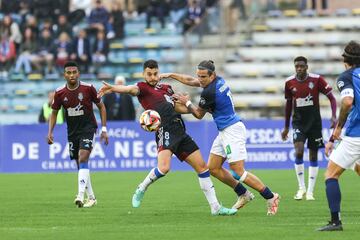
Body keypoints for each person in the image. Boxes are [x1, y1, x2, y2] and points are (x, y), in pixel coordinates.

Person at [97, 59, 237, 216]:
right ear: (143, 74)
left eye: (155, 73)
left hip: (179, 129)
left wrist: (192, 107)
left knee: (202, 168)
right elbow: (130, 89)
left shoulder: (167, 88)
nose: (152, 77)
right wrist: (114, 88)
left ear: (159, 72)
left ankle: (215, 207)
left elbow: (178, 108)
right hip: (165, 129)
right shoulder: (142, 88)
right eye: (149, 74)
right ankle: (141, 188)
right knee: (164, 168)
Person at [160, 60, 280, 216]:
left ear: (212, 75)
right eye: (199, 76)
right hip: (224, 131)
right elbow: (191, 80)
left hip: (232, 131)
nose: (200, 79)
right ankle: (243, 194)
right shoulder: (218, 80)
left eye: (203, 77)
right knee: (214, 168)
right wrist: (171, 75)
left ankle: (271, 197)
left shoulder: (209, 92)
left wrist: (186, 102)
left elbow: (198, 114)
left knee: (238, 171)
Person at [47, 61, 109, 208]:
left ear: (78, 73)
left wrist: (104, 129)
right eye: (69, 73)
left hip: (88, 128)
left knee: (83, 157)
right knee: (80, 164)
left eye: (74, 72)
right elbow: (54, 113)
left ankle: (80, 195)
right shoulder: (60, 92)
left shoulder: (88, 88)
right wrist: (50, 132)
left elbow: (101, 106)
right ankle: (92, 197)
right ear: (64, 75)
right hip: (72, 132)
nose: (72, 75)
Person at [317, 40, 360, 231]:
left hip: (356, 134)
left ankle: (336, 222)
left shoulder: (346, 77)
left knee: (331, 175)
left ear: (345, 60)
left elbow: (348, 101)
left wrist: (338, 129)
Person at [281, 56, 337, 201]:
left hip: (314, 124)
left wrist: (333, 116)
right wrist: (286, 127)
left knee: (313, 156)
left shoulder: (317, 80)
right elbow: (288, 106)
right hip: (298, 123)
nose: (299, 69)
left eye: (301, 66)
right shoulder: (289, 82)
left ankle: (310, 192)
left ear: (307, 66)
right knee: (299, 152)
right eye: (296, 66)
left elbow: (332, 98)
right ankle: (301, 188)